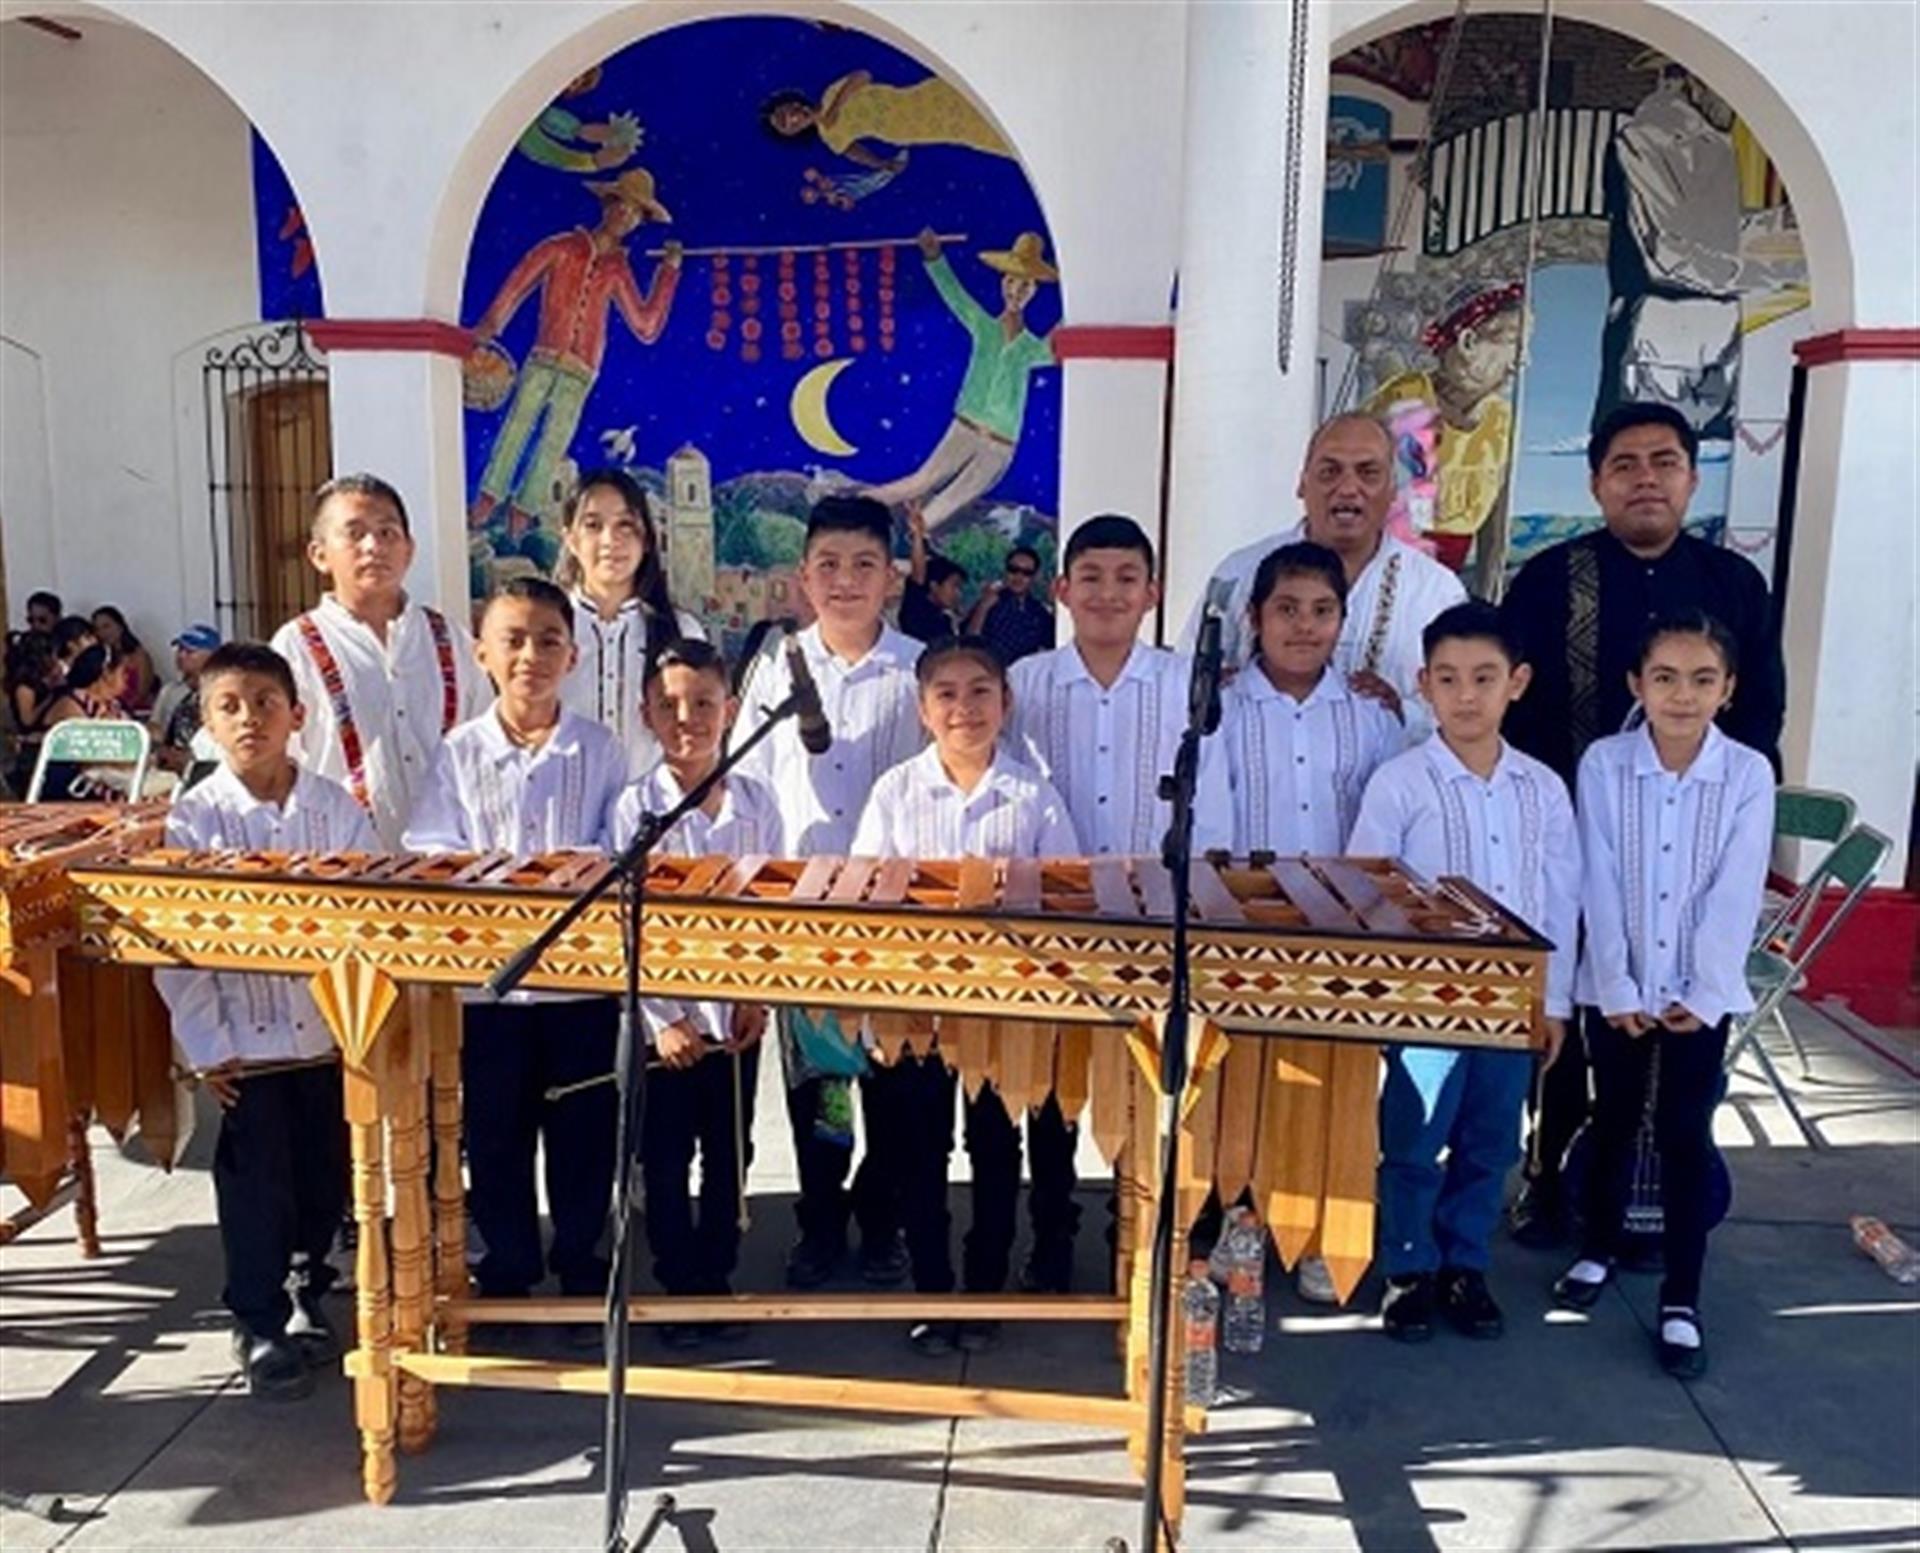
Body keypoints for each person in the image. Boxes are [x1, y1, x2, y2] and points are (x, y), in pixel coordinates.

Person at [1499, 401, 1785, 1246]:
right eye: (1625, 464)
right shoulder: (1552, 577)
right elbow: (1513, 701)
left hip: (1697, 842)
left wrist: (1717, 799)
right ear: (1597, 483)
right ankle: (1553, 1187)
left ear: (1692, 478)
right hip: (1577, 840)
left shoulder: (1734, 585)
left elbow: (1761, 709)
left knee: (1686, 1034)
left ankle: (1663, 1199)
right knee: (1576, 1026)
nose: (1645, 477)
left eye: (1664, 461)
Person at [1007, 513, 1227, 1290]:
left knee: (1149, 1085)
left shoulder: (1183, 685)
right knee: (1051, 1088)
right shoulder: (1025, 681)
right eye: (1091, 577)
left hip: (1152, 919)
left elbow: (1216, 798)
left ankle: (1137, 1234)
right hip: (1053, 923)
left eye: (1125, 577)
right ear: (1063, 590)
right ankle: (1052, 1228)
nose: (1108, 593)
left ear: (1152, 592)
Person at [153, 642, 379, 1400]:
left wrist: (358, 1028)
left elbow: (369, 920)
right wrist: (209, 1046)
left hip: (322, 1039)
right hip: (244, 1048)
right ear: (208, 723)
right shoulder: (196, 817)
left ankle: (310, 1294)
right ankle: (256, 1320)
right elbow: (177, 945)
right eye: (230, 705)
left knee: (322, 1178)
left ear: (296, 715)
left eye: (265, 702)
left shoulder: (335, 808)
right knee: (256, 1187)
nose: (250, 717)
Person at [1551, 609, 1773, 1379]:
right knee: (1609, 1119)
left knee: (1683, 1132)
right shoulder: (1606, 764)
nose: (1683, 695)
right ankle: (1599, 1246)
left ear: (1729, 688)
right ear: (1635, 684)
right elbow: (1597, 877)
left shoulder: (1747, 774)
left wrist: (1704, 991)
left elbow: (1737, 889)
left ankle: (1682, 1295)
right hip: (1615, 987)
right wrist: (1615, 982)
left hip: (1697, 996)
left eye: (1702, 679)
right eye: (1666, 678)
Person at [1350, 603, 1578, 1343]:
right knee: (1415, 1139)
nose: (1466, 695)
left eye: (1484, 677)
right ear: (1423, 685)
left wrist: (1556, 1000)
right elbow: (1371, 891)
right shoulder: (1400, 782)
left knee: (1491, 1139)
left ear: (1518, 681)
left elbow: (1559, 897)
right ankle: (1408, 1267)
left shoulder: (1541, 787)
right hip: (1424, 1001)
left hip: (1512, 1001)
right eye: (1447, 678)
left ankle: (1465, 1265)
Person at [403, 577, 627, 1312]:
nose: (531, 655)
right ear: (483, 654)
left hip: (579, 985)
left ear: (573, 653)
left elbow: (617, 846)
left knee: (583, 1129)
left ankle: (582, 1259)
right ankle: (507, 1259)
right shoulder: (460, 750)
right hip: (490, 987)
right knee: (496, 1130)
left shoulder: (601, 748)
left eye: (548, 640)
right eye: (514, 640)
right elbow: (430, 846)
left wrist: (575, 867)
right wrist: (497, 873)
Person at [852, 637, 1079, 1353]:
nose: (964, 707)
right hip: (916, 1008)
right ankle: (930, 1288)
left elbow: (1066, 896)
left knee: (994, 1149)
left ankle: (983, 1288)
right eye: (945, 694)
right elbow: (867, 893)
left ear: (1005, 703)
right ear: (923, 711)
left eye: (980, 690)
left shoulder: (1034, 796)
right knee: (919, 1153)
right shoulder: (894, 791)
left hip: (1004, 1013)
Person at [730, 494, 926, 1289]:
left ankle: (884, 1223)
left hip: (900, 918)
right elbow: (745, 783)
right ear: (804, 578)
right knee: (822, 1089)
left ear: (893, 576)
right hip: (805, 917)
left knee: (897, 1087)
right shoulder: (775, 667)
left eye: (864, 565)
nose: (846, 581)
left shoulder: (920, 670)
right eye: (830, 566)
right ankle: (819, 1219)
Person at [614, 640, 782, 1347]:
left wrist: (757, 995)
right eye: (671, 706)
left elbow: (773, 910)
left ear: (731, 710)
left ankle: (718, 1274)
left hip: (734, 1016)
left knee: (729, 1149)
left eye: (704, 703)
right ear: (648, 715)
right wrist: (664, 1018)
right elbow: (626, 924)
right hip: (670, 1026)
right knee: (667, 1155)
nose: (689, 718)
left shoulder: (757, 802)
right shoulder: (635, 808)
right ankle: (677, 1280)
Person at [1181, 413, 1467, 742]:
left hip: (1390, 788)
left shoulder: (1436, 594)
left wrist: (1401, 711)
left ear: (1392, 490)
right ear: (1302, 483)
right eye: (1329, 472)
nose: (1347, 489)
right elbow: (1186, 681)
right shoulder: (1239, 574)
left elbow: (1464, 709)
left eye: (1368, 473)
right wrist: (1216, 688)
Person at [271, 474, 491, 850]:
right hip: (342, 868)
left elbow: (483, 745)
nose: (373, 546)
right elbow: (277, 762)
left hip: (447, 868)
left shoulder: (449, 639)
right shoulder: (296, 647)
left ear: (409, 550)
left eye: (387, 533)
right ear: (319, 555)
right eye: (354, 534)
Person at [466, 170, 683, 545]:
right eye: (624, 208)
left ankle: (522, 514)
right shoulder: (563, 246)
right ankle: (487, 500)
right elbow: (519, 282)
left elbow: (646, 326)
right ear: (609, 204)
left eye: (636, 215)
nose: (627, 219)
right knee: (517, 427)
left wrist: (668, 273)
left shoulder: (618, 269)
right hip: (544, 356)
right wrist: (489, 326)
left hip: (581, 369)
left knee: (553, 444)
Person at [1218, 542, 1403, 858]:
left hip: (1345, 901)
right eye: (1287, 609)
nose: (1304, 626)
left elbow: (1392, 825)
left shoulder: (1373, 714)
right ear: (1254, 617)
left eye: (1322, 611)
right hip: (1240, 901)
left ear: (1343, 619)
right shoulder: (1218, 711)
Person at [865, 229, 1057, 531]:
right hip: (965, 427)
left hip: (1000, 444)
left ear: (1033, 290)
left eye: (1025, 285)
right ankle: (851, 508)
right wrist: (935, 258)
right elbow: (956, 297)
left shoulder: (1032, 348)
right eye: (1011, 281)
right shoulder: (985, 328)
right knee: (921, 481)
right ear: (1002, 284)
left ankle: (909, 556)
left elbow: (1062, 342)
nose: (1016, 291)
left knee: (944, 507)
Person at [1366, 280, 1525, 585]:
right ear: (1467, 343)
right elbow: (1409, 498)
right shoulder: (1409, 397)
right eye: (1514, 345)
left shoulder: (1500, 417)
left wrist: (1488, 592)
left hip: (1448, 572)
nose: (1521, 361)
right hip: (1394, 563)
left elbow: (1497, 516)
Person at [554, 467, 705, 775]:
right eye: (594, 526)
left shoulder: (681, 631)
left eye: (625, 525)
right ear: (570, 539)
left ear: (647, 539)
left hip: (654, 816)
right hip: (562, 812)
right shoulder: (549, 630)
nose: (611, 540)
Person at [149, 624, 221, 775]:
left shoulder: (223, 695)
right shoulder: (171, 692)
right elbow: (157, 730)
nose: (181, 656)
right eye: (180, 650)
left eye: (190, 652)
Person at [967, 543, 1055, 667]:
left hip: (1023, 678)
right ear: (1005, 571)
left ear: (1034, 577)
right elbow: (970, 641)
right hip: (990, 672)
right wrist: (983, 607)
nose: (1018, 577)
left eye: (1026, 573)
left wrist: (1056, 605)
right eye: (1013, 569)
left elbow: (1054, 644)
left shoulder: (1038, 612)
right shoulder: (990, 602)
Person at [898, 503, 965, 645]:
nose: (957, 593)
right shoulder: (917, 607)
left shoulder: (946, 621)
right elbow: (918, 571)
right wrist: (917, 535)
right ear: (935, 586)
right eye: (954, 586)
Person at [5, 630, 60, 792]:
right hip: (29, 748)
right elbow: (27, 719)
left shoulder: (43, 680)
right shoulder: (25, 687)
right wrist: (50, 697)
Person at [91, 605, 158, 715]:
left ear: (120, 626)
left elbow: (142, 692)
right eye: (98, 629)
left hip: (137, 713)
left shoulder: (139, 656)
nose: (102, 633)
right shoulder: (103, 658)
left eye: (106, 626)